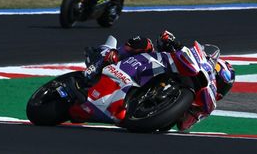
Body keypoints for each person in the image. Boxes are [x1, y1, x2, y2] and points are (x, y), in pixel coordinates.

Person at [83, 30, 235, 131]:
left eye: (223, 87)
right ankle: (108, 56)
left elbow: (183, 126)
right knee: (144, 43)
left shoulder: (205, 107)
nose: (220, 88)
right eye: (220, 80)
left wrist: (190, 110)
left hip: (143, 113)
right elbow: (165, 43)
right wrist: (171, 41)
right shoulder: (194, 62)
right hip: (150, 68)